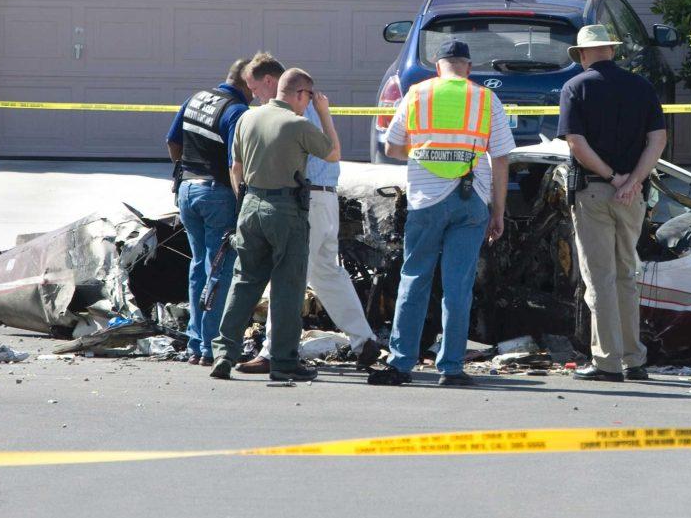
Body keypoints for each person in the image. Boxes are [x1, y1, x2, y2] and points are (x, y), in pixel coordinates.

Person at [367, 39, 513, 387]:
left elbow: (391, 146)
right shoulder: (485, 98)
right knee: (457, 287)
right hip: (471, 200)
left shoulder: (416, 94)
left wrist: (425, 152)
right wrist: (499, 211)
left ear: (438, 66)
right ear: (468, 66)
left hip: (425, 201)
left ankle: (401, 364)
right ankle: (450, 368)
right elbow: (502, 158)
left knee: (414, 278)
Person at [230, 52, 381, 375]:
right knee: (326, 272)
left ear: (271, 82)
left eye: (254, 87)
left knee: (287, 275)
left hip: (304, 199)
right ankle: (364, 338)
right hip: (325, 199)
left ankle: (273, 352)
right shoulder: (307, 108)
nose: (253, 94)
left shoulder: (289, 114)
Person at [209, 68, 342, 382]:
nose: (309, 103)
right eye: (309, 97)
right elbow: (333, 153)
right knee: (288, 286)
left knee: (244, 283)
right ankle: (283, 362)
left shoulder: (247, 118)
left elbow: (236, 167)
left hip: (250, 204)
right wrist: (324, 114)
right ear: (299, 94)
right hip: (285, 209)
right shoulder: (298, 124)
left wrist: (245, 203)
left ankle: (223, 355)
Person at [557, 24, 667, 383]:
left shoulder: (576, 87)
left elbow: (576, 143)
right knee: (626, 277)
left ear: (584, 54)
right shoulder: (641, 86)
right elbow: (657, 140)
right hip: (633, 196)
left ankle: (606, 362)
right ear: (611, 51)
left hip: (594, 192)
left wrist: (612, 178)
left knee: (599, 278)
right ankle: (634, 360)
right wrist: (633, 181)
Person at [164, 59, 252, 366]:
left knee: (198, 266)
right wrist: (242, 202)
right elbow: (235, 165)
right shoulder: (237, 111)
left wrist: (183, 170)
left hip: (187, 190)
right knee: (219, 270)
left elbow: (173, 142)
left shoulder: (196, 98)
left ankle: (196, 342)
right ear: (246, 83)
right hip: (217, 194)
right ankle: (211, 346)